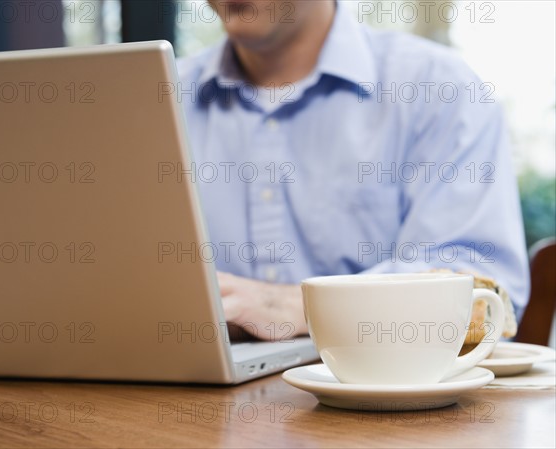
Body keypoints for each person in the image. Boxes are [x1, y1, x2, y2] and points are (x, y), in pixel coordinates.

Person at [176, 0, 529, 340]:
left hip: (394, 393)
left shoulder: (440, 90)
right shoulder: (159, 95)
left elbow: (485, 293)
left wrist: (299, 307)